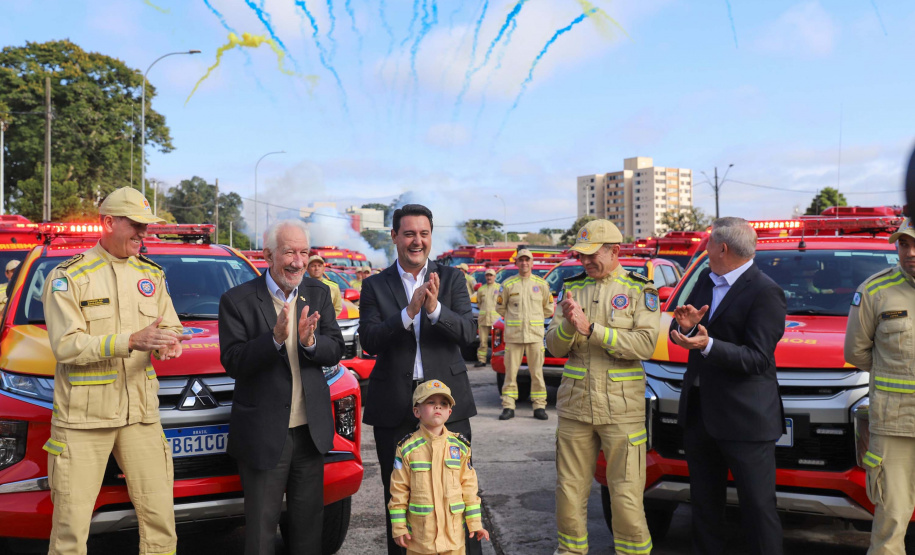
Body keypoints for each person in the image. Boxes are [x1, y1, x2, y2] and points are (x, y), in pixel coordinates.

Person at [41, 186, 190, 555]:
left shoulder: (151, 274)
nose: (144, 233)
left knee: (160, 526)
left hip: (140, 415)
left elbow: (170, 325)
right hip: (82, 421)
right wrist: (129, 342)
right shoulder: (68, 277)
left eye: (147, 226)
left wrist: (170, 342)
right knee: (70, 533)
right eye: (136, 225)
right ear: (108, 222)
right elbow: (66, 345)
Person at [358, 203, 480, 555]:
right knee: (399, 499)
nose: (417, 241)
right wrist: (409, 313)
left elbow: (468, 334)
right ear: (394, 236)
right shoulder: (375, 286)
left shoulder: (453, 278)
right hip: (396, 407)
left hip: (448, 406)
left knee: (460, 494)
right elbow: (370, 340)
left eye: (424, 234)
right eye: (409, 233)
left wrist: (434, 310)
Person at [218, 220, 345, 555]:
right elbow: (233, 361)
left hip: (310, 432)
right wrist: (274, 339)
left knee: (307, 533)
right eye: (290, 252)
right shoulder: (237, 300)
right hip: (263, 435)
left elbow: (335, 348)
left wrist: (310, 341)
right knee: (260, 534)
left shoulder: (317, 293)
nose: (298, 262)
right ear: (268, 255)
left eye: (304, 253)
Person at [668, 216, 786, 555]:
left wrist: (707, 345)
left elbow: (758, 358)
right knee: (704, 507)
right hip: (701, 414)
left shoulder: (766, 291)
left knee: (757, 510)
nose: (704, 251)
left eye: (707, 245)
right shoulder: (706, 279)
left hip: (745, 420)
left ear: (721, 248)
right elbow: (689, 331)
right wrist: (688, 329)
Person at [545, 219, 661, 555]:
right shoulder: (572, 288)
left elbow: (644, 345)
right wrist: (568, 325)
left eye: (593, 255)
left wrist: (592, 328)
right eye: (581, 256)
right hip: (575, 407)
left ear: (615, 251)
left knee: (625, 496)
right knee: (568, 491)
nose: (585, 262)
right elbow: (554, 347)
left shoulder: (641, 290)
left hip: (622, 410)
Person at [846, 217, 915, 554]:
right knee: (890, 523)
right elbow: (857, 352)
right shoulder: (874, 291)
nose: (910, 252)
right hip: (895, 425)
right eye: (904, 244)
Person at [389, 379, 491, 555]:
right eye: (431, 402)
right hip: (421, 541)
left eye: (443, 404)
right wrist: (399, 527)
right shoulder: (406, 448)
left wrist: (475, 523)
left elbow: (469, 488)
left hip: (453, 539)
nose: (438, 407)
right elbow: (398, 490)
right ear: (417, 411)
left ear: (449, 412)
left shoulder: (460, 447)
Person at [496, 248, 554, 420]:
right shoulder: (508, 285)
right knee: (510, 373)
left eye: (527, 260)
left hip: (535, 336)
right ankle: (508, 406)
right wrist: (516, 320)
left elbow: (549, 309)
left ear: (532, 262)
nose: (524, 263)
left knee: (537, 373)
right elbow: (500, 308)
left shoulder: (541, 284)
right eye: (521, 260)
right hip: (514, 337)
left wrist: (532, 319)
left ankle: (539, 406)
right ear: (516, 263)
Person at [475, 268, 499, 367]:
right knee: (483, 342)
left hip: (495, 321)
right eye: (487, 275)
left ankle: (496, 360)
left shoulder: (499, 288)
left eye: (491, 275)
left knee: (496, 342)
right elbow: (479, 303)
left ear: (494, 277)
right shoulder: (481, 289)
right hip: (484, 320)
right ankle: (482, 360)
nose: (489, 277)